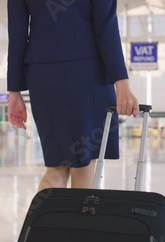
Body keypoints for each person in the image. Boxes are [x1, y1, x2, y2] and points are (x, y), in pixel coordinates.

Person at [8, 0, 139, 191]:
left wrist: (14, 91)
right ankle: (80, 221)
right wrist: (122, 81)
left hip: (43, 74)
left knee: (56, 166)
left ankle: (43, 220)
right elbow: (106, 26)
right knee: (83, 164)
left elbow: (17, 33)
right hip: (87, 73)